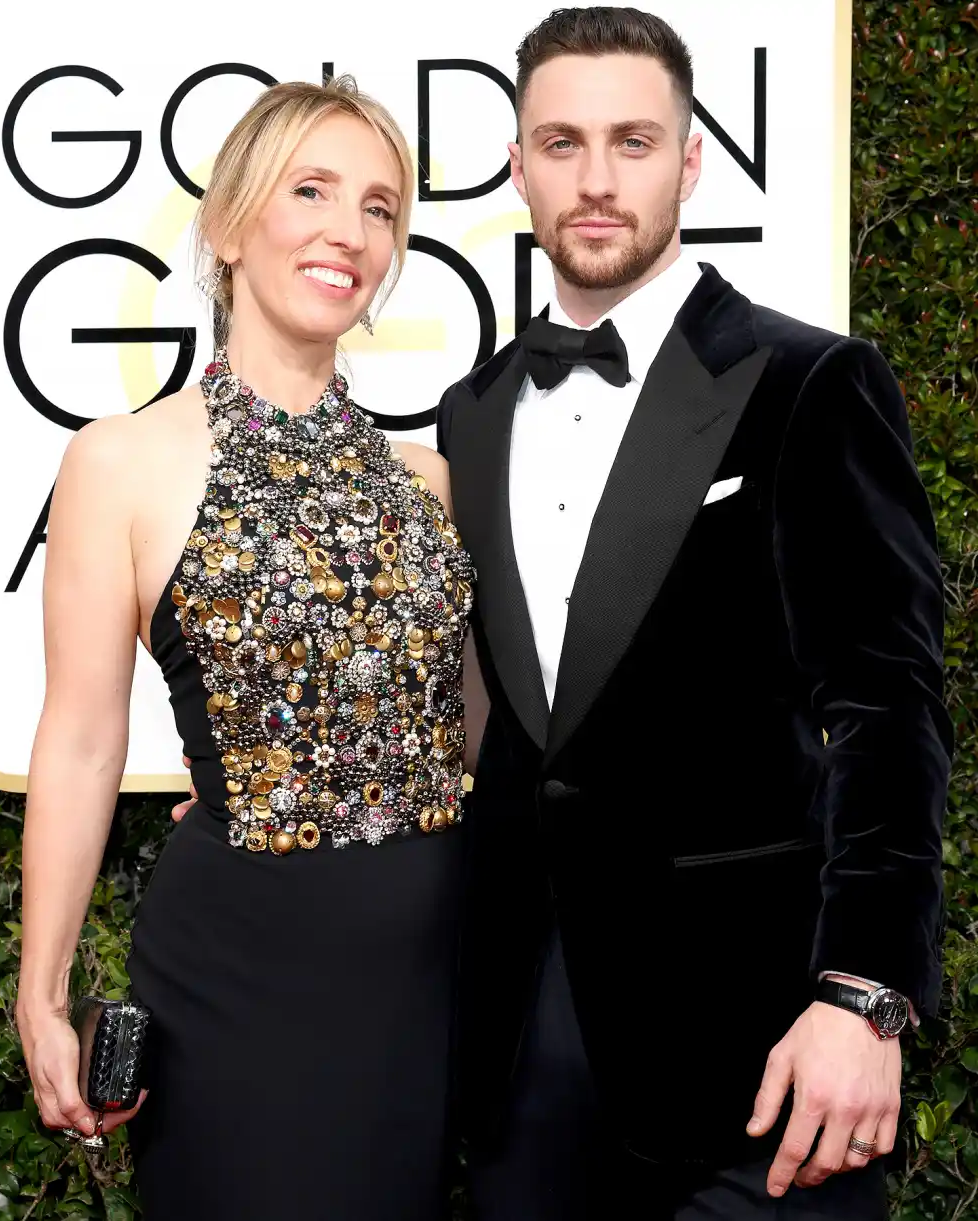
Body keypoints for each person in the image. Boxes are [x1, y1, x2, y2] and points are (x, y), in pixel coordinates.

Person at [433, 8, 950, 1220]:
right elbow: (490, 717)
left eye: (632, 140)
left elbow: (886, 707)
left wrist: (864, 992)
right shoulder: (474, 412)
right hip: (521, 1051)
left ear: (689, 159)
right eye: (560, 143)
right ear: (517, 165)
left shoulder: (809, 381)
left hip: (760, 1055)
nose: (597, 179)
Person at [17, 77, 476, 1220]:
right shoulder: (120, 461)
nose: (348, 231)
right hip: (234, 969)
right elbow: (80, 740)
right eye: (309, 190)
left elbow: (475, 726)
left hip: (427, 967)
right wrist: (40, 990)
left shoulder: (431, 481)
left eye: (378, 207)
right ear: (226, 226)